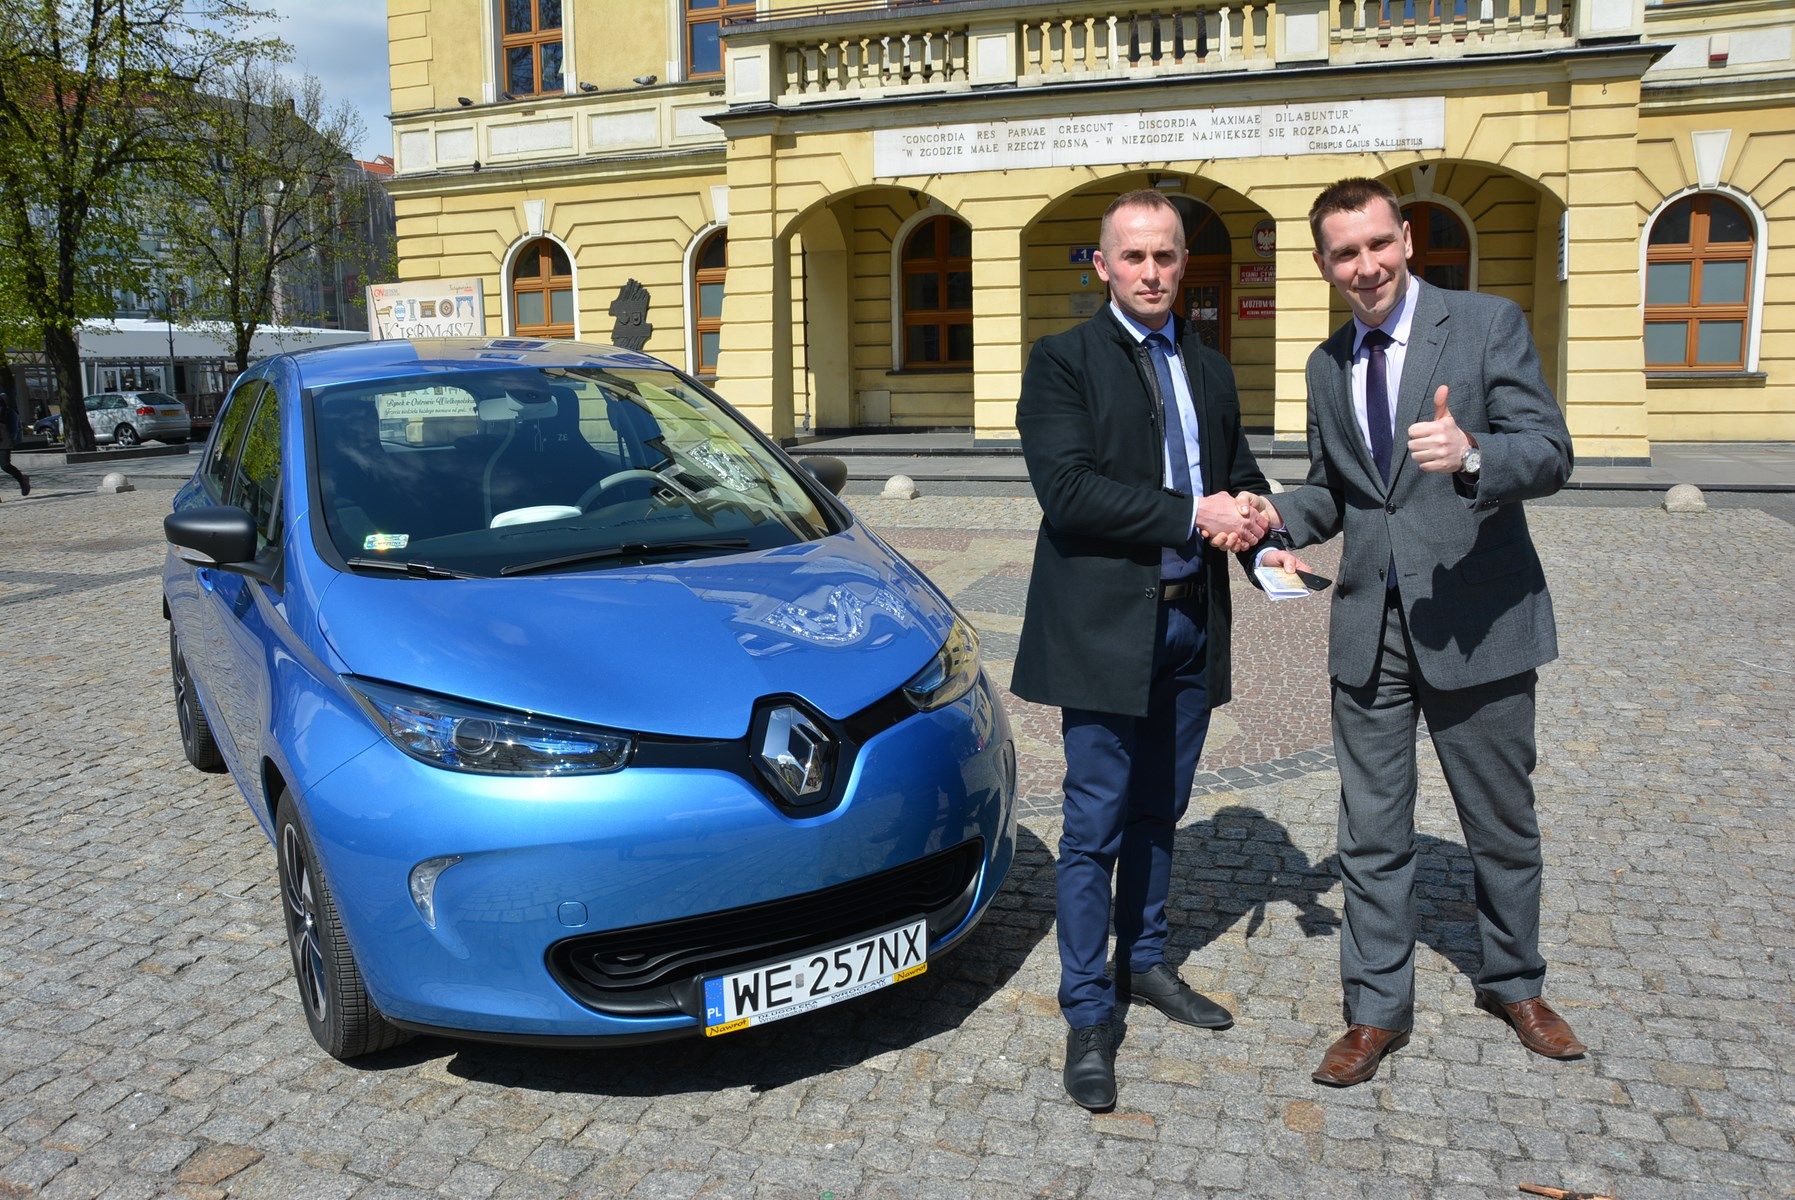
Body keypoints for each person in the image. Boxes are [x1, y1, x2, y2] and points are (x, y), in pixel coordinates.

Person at [1255, 177, 1582, 1087]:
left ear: (1404, 237)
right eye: (1344, 254)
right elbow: (1334, 490)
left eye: (1376, 244)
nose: (1365, 266)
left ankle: (1515, 984)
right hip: (1370, 627)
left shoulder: (1484, 324)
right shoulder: (1325, 364)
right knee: (1369, 833)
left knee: (1499, 821)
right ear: (1323, 264)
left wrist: (1472, 454)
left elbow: (1550, 451)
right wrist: (1272, 518)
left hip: (1478, 620)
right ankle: (1374, 1010)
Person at [1013, 189, 1273, 1111]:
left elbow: (1234, 473)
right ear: (1102, 266)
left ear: (1182, 263)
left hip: (1191, 619)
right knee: (1095, 827)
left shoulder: (1208, 365)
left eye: (1165, 256)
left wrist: (1258, 521)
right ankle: (1088, 1008)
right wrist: (1193, 513)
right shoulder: (1063, 361)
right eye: (1133, 257)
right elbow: (1069, 491)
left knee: (1161, 809)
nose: (1151, 272)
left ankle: (1146, 960)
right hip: (1104, 627)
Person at [0, 397, 30, 497]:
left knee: (5, 465)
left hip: (3, 439)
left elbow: (13, 425)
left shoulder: (6, 409)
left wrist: (12, 438)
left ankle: (22, 479)